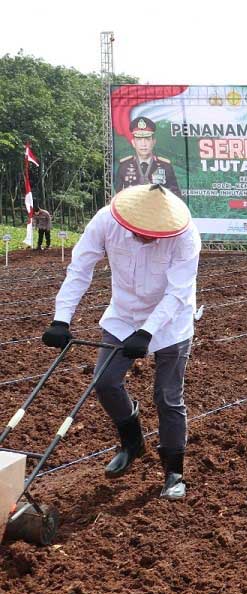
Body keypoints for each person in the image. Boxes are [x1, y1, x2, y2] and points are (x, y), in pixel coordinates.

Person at [41, 184, 200, 499]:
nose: (151, 238)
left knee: (167, 396)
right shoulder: (105, 222)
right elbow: (80, 269)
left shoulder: (185, 235)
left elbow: (178, 291)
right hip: (124, 314)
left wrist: (148, 331)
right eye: (145, 233)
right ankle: (132, 441)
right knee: (106, 383)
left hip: (172, 320)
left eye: (158, 234)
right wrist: (61, 319)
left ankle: (173, 472)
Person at [117, 117, 182, 199]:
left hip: (158, 210)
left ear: (153, 142)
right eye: (139, 139)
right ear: (133, 143)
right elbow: (118, 197)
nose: (143, 144)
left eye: (147, 139)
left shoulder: (165, 166)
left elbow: (175, 196)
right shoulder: (124, 166)